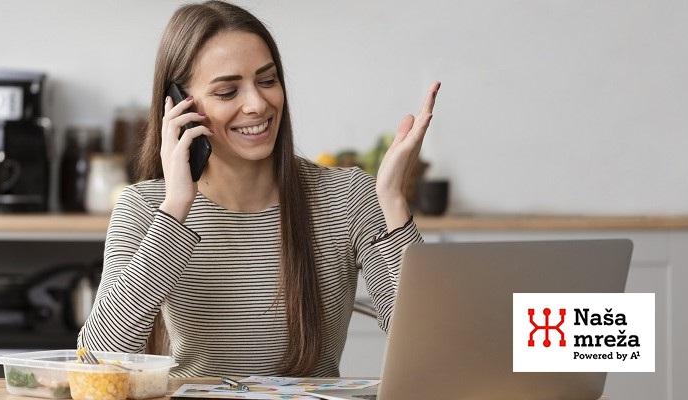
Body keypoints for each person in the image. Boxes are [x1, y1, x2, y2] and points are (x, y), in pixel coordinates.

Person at [78, 0, 440, 378]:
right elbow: (95, 363)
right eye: (227, 92)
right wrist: (176, 208)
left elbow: (434, 350)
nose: (257, 104)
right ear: (179, 108)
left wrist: (393, 200)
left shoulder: (347, 196)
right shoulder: (144, 207)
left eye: (267, 81)